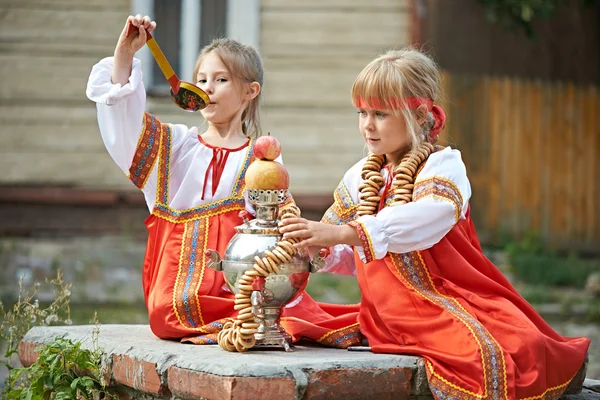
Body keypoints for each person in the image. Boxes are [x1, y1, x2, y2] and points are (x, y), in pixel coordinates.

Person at [279, 48, 590, 399]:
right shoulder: (360, 176)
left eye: (380, 113)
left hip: (450, 296)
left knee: (514, 349)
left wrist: (341, 232)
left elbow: (427, 218)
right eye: (362, 112)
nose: (367, 124)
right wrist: (315, 246)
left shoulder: (443, 166)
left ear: (420, 114)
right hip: (388, 310)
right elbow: (360, 254)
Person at [86, 15, 359, 345]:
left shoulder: (261, 159)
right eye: (201, 79)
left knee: (293, 317)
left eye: (220, 80)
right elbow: (123, 125)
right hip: (175, 293)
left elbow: (279, 224)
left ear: (250, 91)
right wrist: (125, 54)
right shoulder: (174, 147)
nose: (207, 88)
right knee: (189, 314)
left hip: (240, 292)